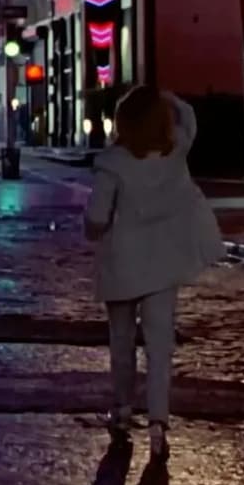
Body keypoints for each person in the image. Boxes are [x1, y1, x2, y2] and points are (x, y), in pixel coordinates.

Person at [83, 85, 224, 459]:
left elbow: (96, 216)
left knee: (122, 341)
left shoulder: (113, 164)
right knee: (160, 347)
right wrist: (166, 96)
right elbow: (189, 118)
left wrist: (94, 230)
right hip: (163, 264)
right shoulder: (175, 154)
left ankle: (122, 408)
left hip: (123, 265)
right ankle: (158, 420)